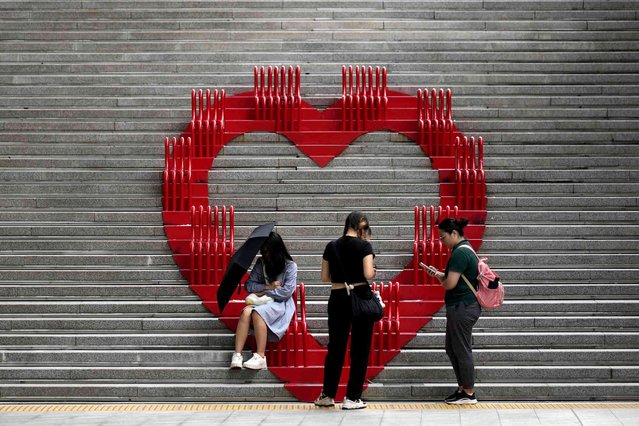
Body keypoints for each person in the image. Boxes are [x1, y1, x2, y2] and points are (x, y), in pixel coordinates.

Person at [314, 211, 376, 410]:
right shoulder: (364, 245)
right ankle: (352, 398)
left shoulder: (331, 246)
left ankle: (327, 395)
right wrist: (374, 270)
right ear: (360, 226)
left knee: (336, 348)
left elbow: (324, 277)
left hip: (338, 297)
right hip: (360, 297)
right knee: (360, 349)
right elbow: (368, 273)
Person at [421, 218, 480, 404]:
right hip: (462, 306)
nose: (441, 241)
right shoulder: (463, 249)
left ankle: (469, 393)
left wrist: (442, 280)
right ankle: (462, 388)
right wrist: (439, 275)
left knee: (461, 348)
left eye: (442, 237)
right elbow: (454, 278)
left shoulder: (460, 253)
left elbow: (450, 284)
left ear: (454, 233)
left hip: (462, 306)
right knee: (452, 347)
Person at [230, 231, 298, 370]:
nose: (265, 254)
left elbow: (286, 293)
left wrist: (263, 291)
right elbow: (249, 286)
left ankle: (260, 356)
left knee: (256, 312)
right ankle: (237, 355)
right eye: (263, 251)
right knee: (246, 312)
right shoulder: (261, 263)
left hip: (280, 304)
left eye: (268, 251)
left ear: (277, 250)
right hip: (263, 301)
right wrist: (268, 286)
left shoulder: (290, 266)